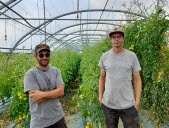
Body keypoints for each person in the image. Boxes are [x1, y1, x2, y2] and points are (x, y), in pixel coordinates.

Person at [98, 27, 142, 128]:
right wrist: (100, 98)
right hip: (108, 105)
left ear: (123, 39)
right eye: (114, 37)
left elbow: (137, 79)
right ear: (110, 40)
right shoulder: (105, 57)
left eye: (119, 36)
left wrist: (137, 102)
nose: (116, 39)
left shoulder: (132, 56)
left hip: (128, 105)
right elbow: (102, 78)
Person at [24, 44, 67, 128]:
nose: (44, 57)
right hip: (40, 123)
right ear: (35, 56)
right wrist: (55, 93)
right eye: (41, 55)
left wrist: (41, 94)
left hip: (59, 117)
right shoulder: (30, 74)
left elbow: (61, 92)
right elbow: (36, 99)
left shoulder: (56, 71)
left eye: (47, 54)